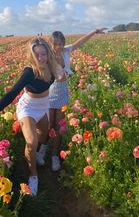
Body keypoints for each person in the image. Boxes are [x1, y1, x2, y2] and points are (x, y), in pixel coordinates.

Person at [0, 38, 61, 196]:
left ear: (48, 53)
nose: (40, 58)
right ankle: (33, 175)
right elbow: (11, 93)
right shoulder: (29, 72)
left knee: (43, 135)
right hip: (28, 107)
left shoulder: (53, 68)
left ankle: (35, 154)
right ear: (32, 56)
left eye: (43, 53)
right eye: (36, 55)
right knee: (32, 141)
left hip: (43, 106)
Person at [36, 29, 107, 171]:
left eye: (61, 43)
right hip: (50, 90)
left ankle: (55, 156)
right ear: (51, 44)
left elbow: (80, 42)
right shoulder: (47, 55)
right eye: (55, 44)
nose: (58, 46)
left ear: (63, 43)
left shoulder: (66, 51)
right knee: (49, 124)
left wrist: (93, 32)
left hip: (62, 90)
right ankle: (42, 150)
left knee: (59, 125)